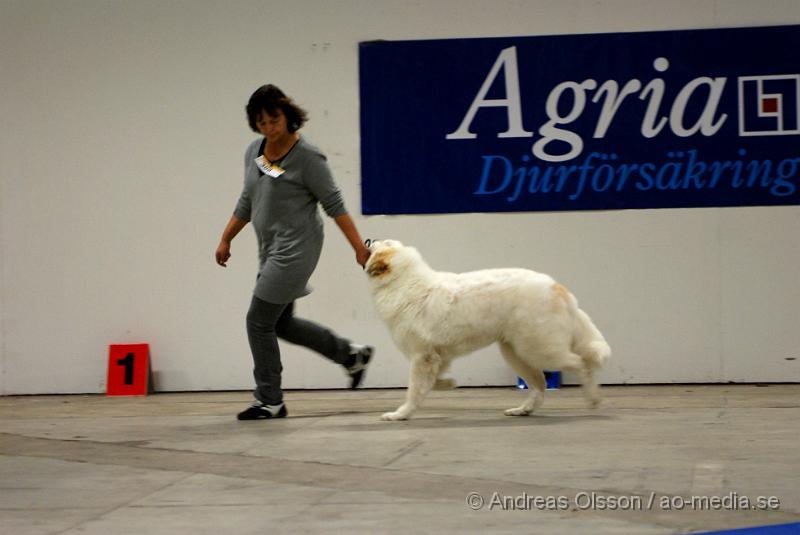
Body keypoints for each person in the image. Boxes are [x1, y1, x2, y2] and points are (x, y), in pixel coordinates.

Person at [215, 84, 373, 421]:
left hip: (296, 250)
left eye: (274, 120)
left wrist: (359, 249)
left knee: (258, 321)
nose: (269, 128)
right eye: (262, 122)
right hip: (270, 249)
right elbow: (250, 197)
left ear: (288, 117)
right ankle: (351, 355)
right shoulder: (257, 153)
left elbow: (334, 205)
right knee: (281, 324)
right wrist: (226, 238)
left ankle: (270, 399)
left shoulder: (306, 157)